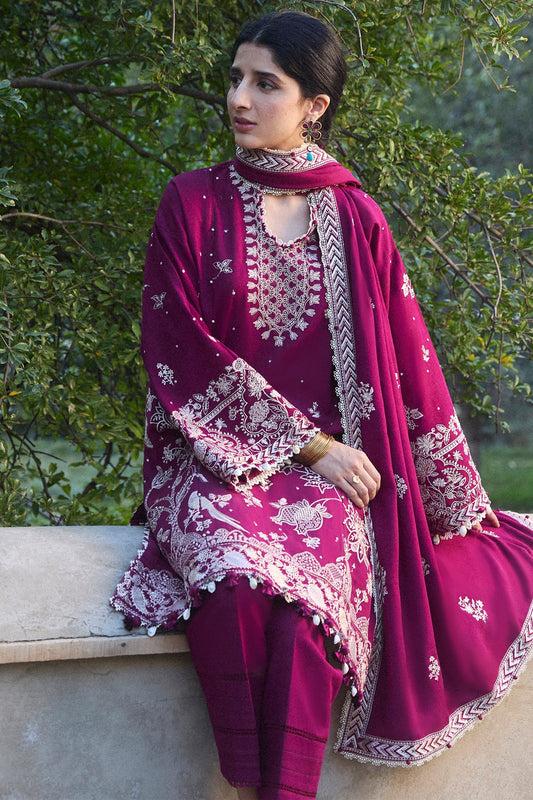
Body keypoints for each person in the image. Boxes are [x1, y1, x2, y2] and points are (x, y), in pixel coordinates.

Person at [111, 10, 533, 799]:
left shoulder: (355, 216)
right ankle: (246, 780)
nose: (239, 98)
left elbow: (409, 360)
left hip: (332, 481)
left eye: (264, 84)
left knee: (309, 609)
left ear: (314, 106)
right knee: (235, 583)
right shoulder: (191, 203)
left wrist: (450, 500)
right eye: (235, 78)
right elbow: (180, 351)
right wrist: (313, 447)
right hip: (218, 464)